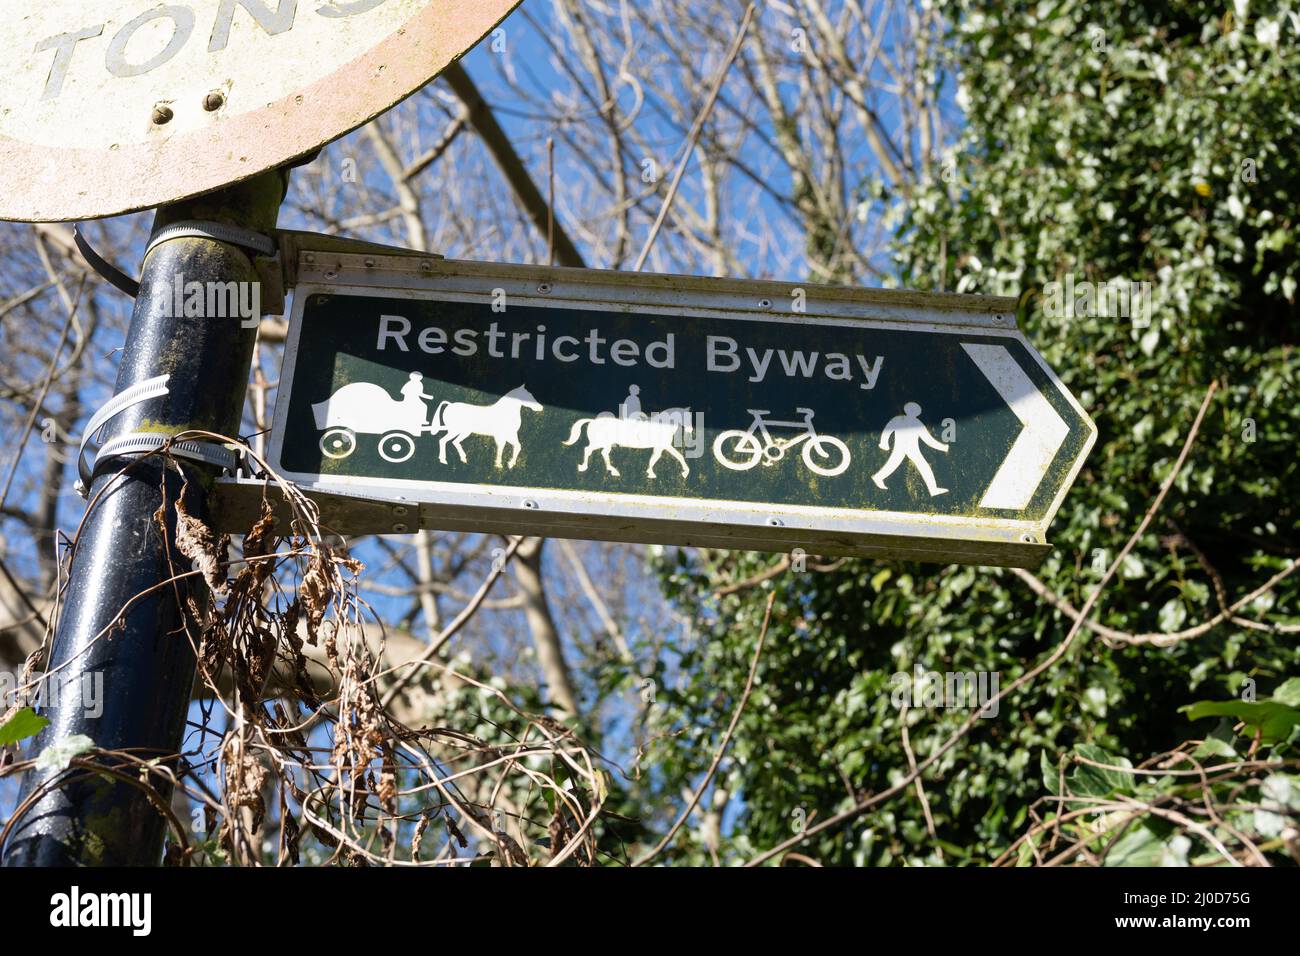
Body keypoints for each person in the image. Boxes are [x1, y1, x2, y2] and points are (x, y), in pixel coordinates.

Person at [871, 401, 949, 496]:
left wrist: (943, 447)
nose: (914, 412)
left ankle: (933, 489)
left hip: (911, 449)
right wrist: (883, 443)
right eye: (912, 410)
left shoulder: (915, 423)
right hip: (904, 448)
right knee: (899, 464)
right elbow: (887, 430)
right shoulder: (901, 420)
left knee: (919, 466)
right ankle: (933, 489)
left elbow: (928, 440)